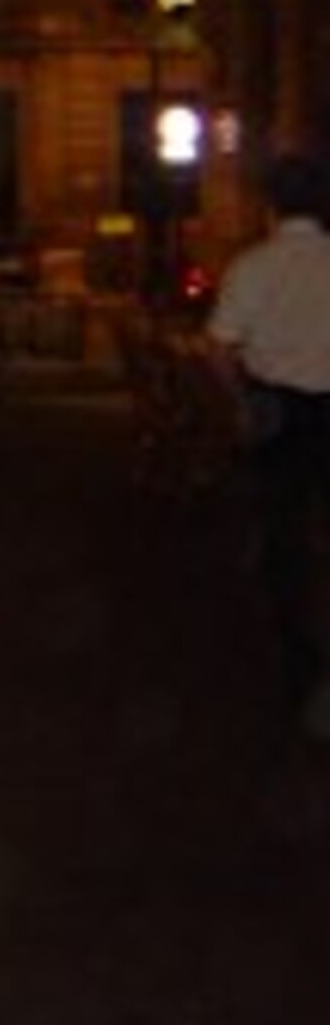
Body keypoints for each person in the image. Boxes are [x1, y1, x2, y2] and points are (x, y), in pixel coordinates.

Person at [208, 149, 330, 729]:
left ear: (272, 204)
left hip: (280, 414)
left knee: (286, 540)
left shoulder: (252, 267)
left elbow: (222, 348)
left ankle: (301, 670)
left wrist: (242, 402)